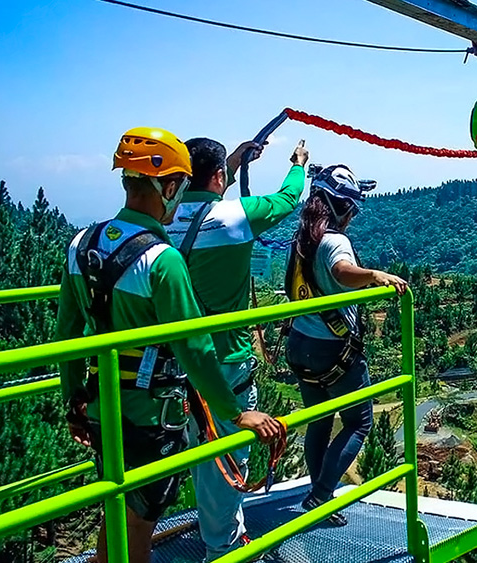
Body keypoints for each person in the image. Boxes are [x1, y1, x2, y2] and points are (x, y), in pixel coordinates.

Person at [57, 127, 284, 563]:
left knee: (118, 507)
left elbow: (68, 333)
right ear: (169, 186)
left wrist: (74, 402)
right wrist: (238, 412)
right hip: (149, 411)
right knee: (140, 521)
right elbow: (195, 348)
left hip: (102, 404)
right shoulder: (161, 260)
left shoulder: (80, 244)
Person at [165, 136, 308, 561]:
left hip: (170, 362)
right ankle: (224, 548)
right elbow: (287, 198)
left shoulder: (164, 217)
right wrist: (298, 162)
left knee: (183, 449)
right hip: (223, 360)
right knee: (224, 458)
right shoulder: (235, 216)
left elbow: (201, 207)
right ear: (220, 178)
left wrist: (231, 162)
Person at [284, 164, 408, 523]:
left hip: (300, 342)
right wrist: (374, 275)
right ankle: (320, 497)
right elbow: (341, 272)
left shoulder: (302, 238)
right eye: (351, 208)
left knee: (320, 421)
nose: (352, 216)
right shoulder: (335, 240)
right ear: (341, 207)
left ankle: (316, 496)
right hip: (333, 349)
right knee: (359, 423)